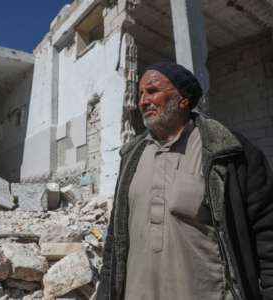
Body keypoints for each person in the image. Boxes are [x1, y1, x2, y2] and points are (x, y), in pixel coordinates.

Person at [96, 62, 273, 300]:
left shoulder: (228, 152)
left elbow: (266, 232)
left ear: (183, 99)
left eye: (152, 91)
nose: (143, 101)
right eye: (140, 94)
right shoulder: (131, 158)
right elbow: (115, 240)